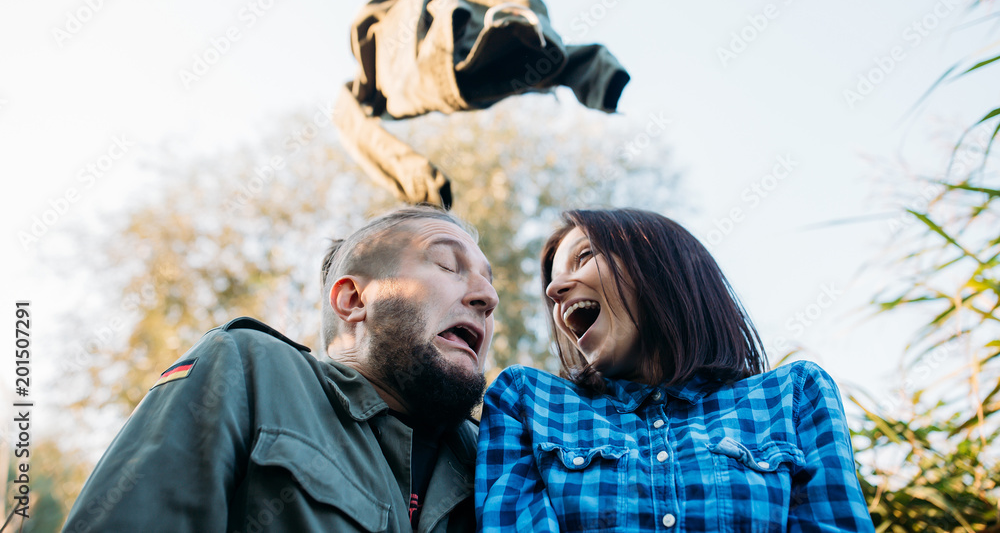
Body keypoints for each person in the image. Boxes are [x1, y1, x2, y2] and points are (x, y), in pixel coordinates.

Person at [62, 205, 498, 533]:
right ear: (353, 301)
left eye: (489, 282)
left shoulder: (499, 454)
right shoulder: (250, 367)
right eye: (447, 265)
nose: (488, 298)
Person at [476, 208, 874, 532]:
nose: (553, 291)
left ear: (660, 266)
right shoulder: (526, 401)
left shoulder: (795, 394)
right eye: (553, 281)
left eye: (583, 256)